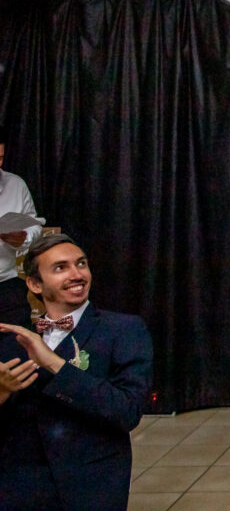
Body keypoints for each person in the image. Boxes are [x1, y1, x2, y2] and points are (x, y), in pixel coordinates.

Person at [0, 233, 153, 509]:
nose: (76, 274)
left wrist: (54, 363)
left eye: (81, 264)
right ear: (35, 284)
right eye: (60, 268)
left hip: (89, 483)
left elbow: (126, 411)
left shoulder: (123, 330)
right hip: (20, 487)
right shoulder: (14, 340)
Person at [0, 127, 43, 327]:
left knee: (19, 347)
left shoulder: (16, 185)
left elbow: (34, 225)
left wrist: (23, 237)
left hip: (6, 284)